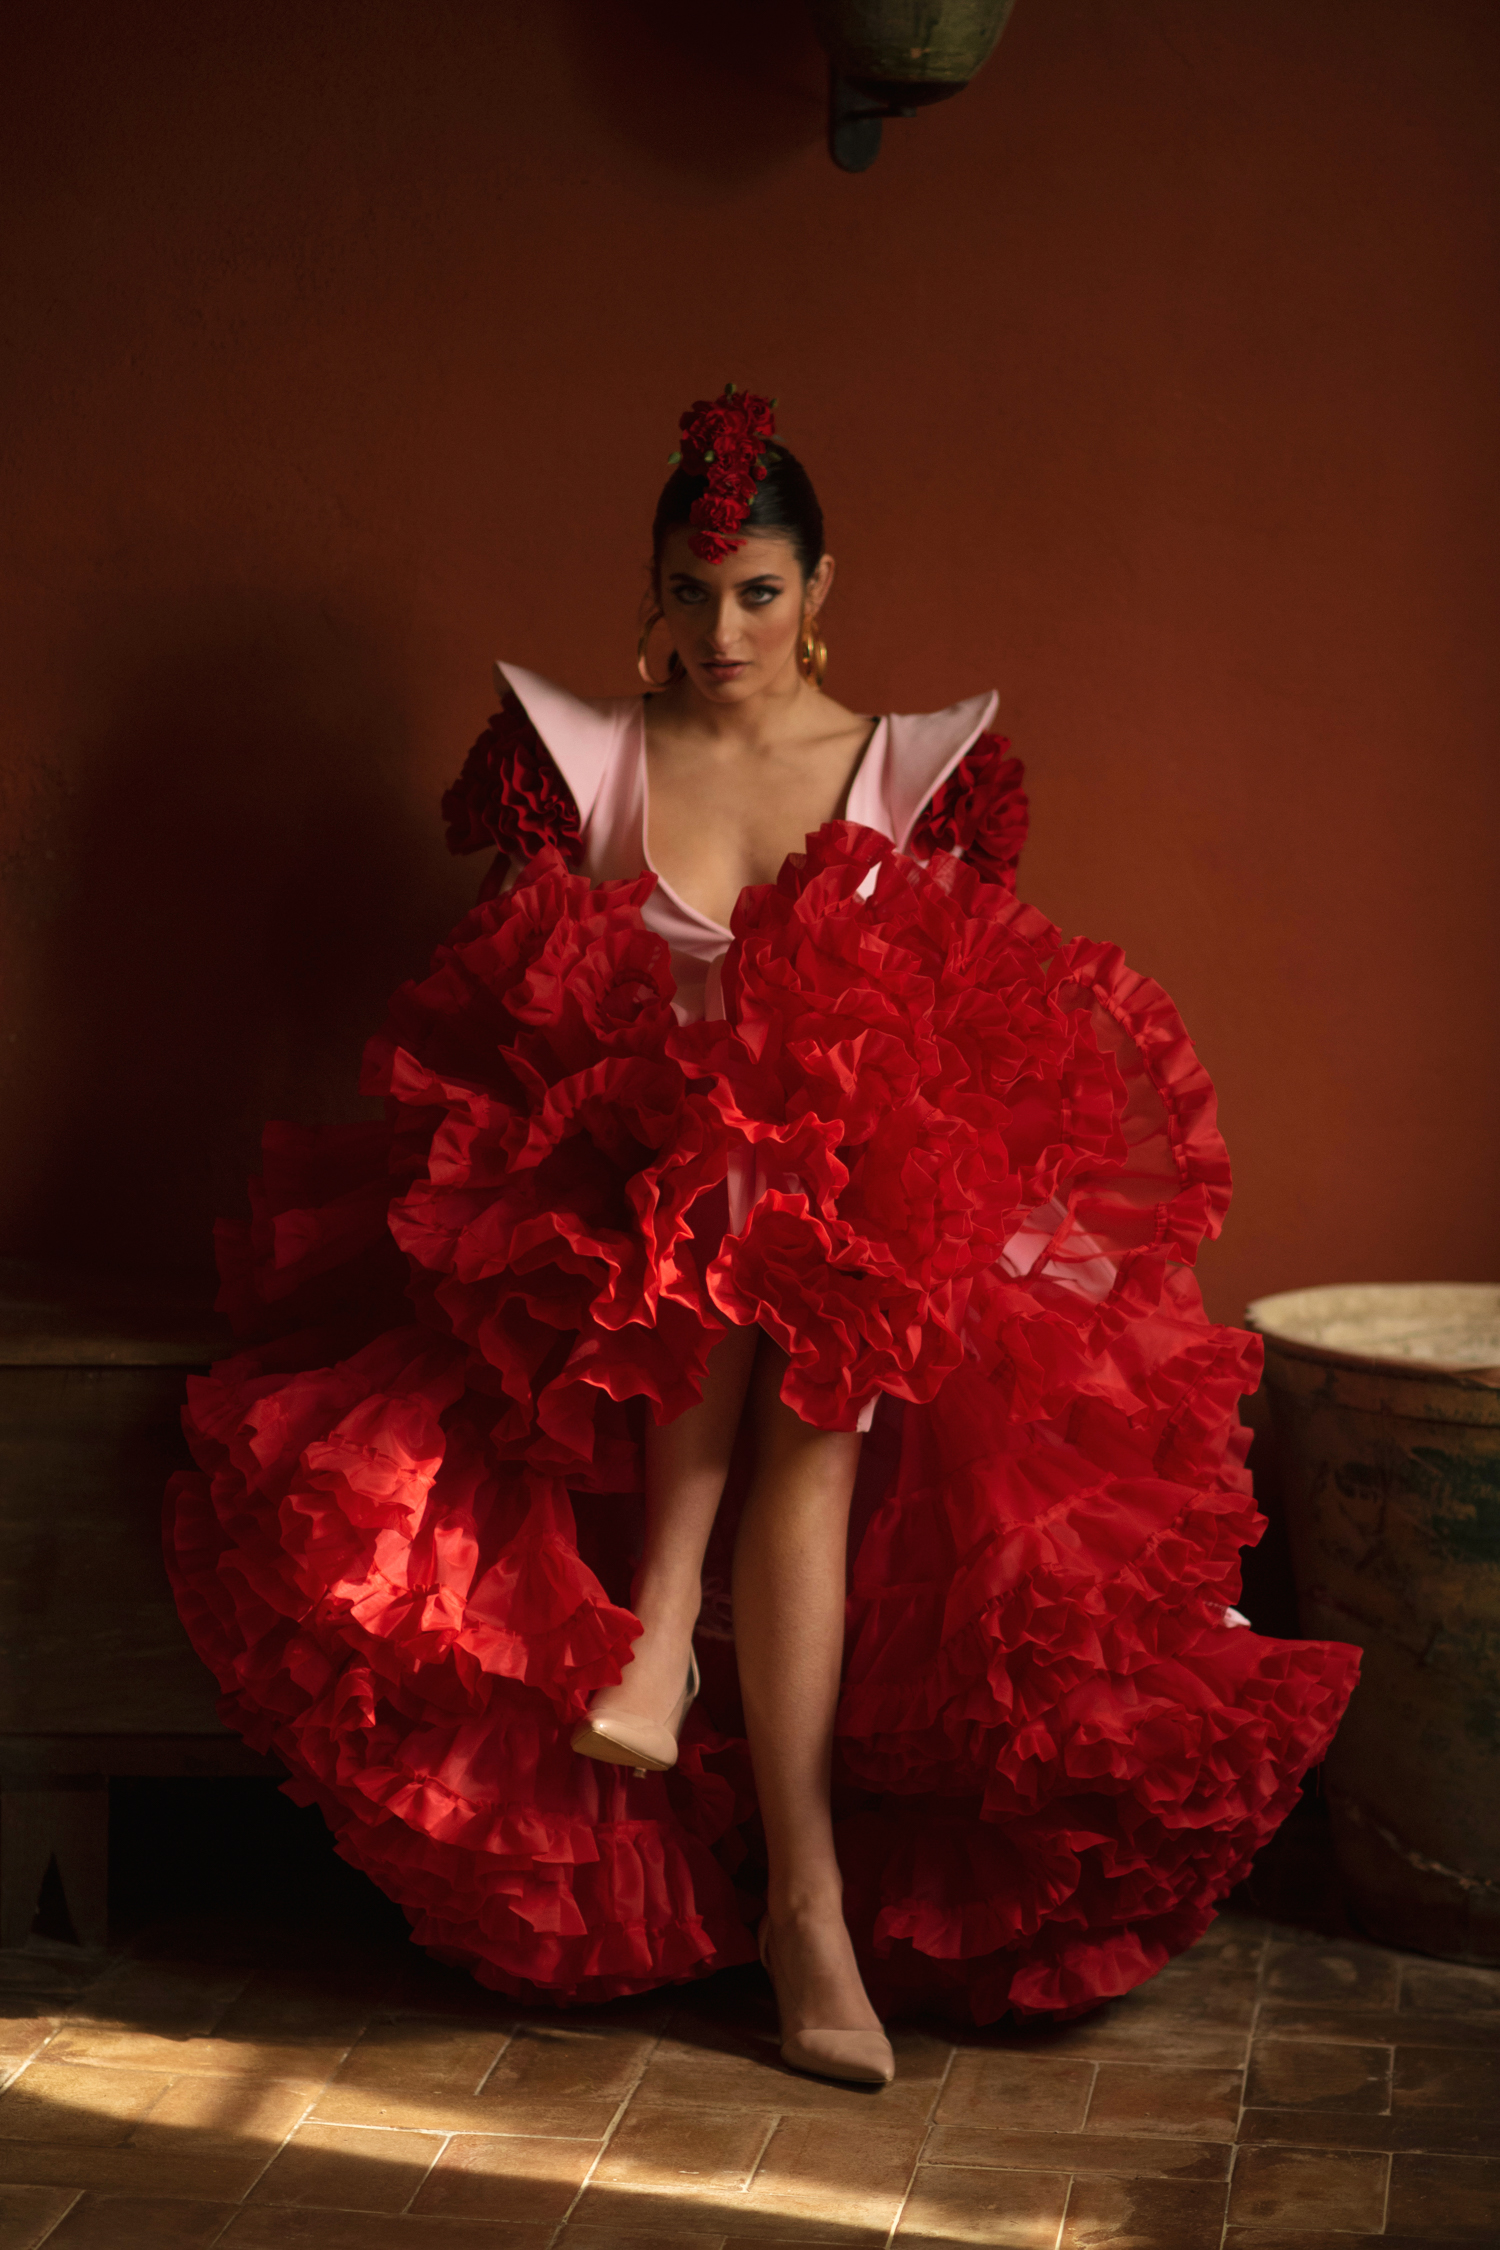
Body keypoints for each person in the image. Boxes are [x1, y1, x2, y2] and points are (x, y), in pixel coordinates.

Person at [166, 385, 1359, 2089]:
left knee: (811, 1275)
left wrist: (822, 1168)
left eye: (759, 593)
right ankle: (798, 1892)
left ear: (820, 591)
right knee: (744, 1225)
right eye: (690, 591)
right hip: (605, 1229)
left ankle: (699, 1701)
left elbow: (955, 1036)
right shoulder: (584, 759)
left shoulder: (912, 771)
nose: (722, 632)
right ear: (650, 588)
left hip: (852, 1247)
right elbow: (519, 1010)